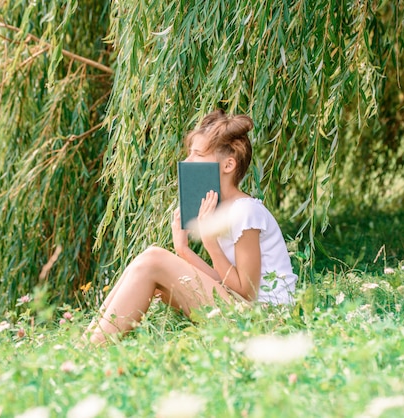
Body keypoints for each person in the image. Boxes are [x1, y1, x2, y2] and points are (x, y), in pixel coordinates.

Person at [84, 110, 297, 345]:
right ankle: (86, 344)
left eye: (196, 155)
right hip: (241, 312)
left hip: (264, 322)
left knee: (153, 258)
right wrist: (184, 250)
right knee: (148, 266)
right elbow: (226, 282)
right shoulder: (226, 210)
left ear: (228, 165)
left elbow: (247, 292)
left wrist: (209, 242)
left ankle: (89, 350)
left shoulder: (246, 212)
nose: (186, 163)